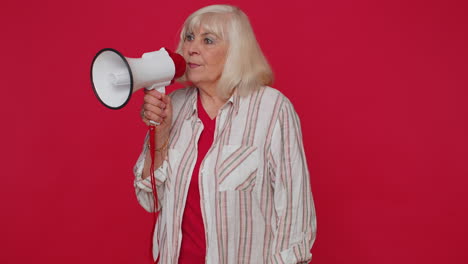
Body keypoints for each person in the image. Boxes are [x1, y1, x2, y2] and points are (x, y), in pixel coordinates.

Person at [133, 4, 316, 264]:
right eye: (188, 37)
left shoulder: (272, 108)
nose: (191, 48)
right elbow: (150, 200)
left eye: (208, 40)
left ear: (236, 52)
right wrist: (159, 136)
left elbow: (294, 213)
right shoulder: (173, 105)